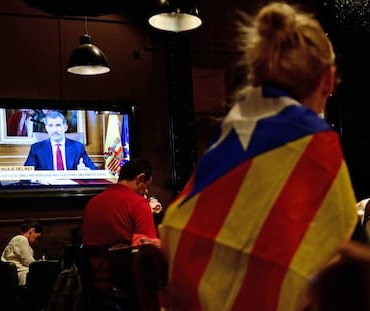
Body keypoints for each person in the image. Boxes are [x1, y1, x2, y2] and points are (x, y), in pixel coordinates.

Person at [158, 2, 359, 311]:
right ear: (328, 80)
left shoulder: (235, 126)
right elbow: (337, 234)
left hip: (189, 296)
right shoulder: (315, 139)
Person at [81, 159, 159, 309]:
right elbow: (148, 250)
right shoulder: (138, 203)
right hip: (128, 289)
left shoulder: (93, 202)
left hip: (94, 289)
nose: (146, 192)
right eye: (146, 187)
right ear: (140, 179)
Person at [24, 110, 97, 170]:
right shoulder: (37, 148)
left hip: (71, 187)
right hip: (47, 186)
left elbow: (93, 170)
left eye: (58, 125)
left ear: (65, 127)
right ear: (46, 128)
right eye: (51, 126)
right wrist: (38, 179)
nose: (54, 130)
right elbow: (26, 174)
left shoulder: (78, 147)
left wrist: (86, 171)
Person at [1, 219, 43, 286]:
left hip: (16, 273)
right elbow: (29, 262)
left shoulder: (18, 240)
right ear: (32, 231)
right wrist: (40, 264)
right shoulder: (21, 239)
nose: (36, 240)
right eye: (37, 237)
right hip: (21, 274)